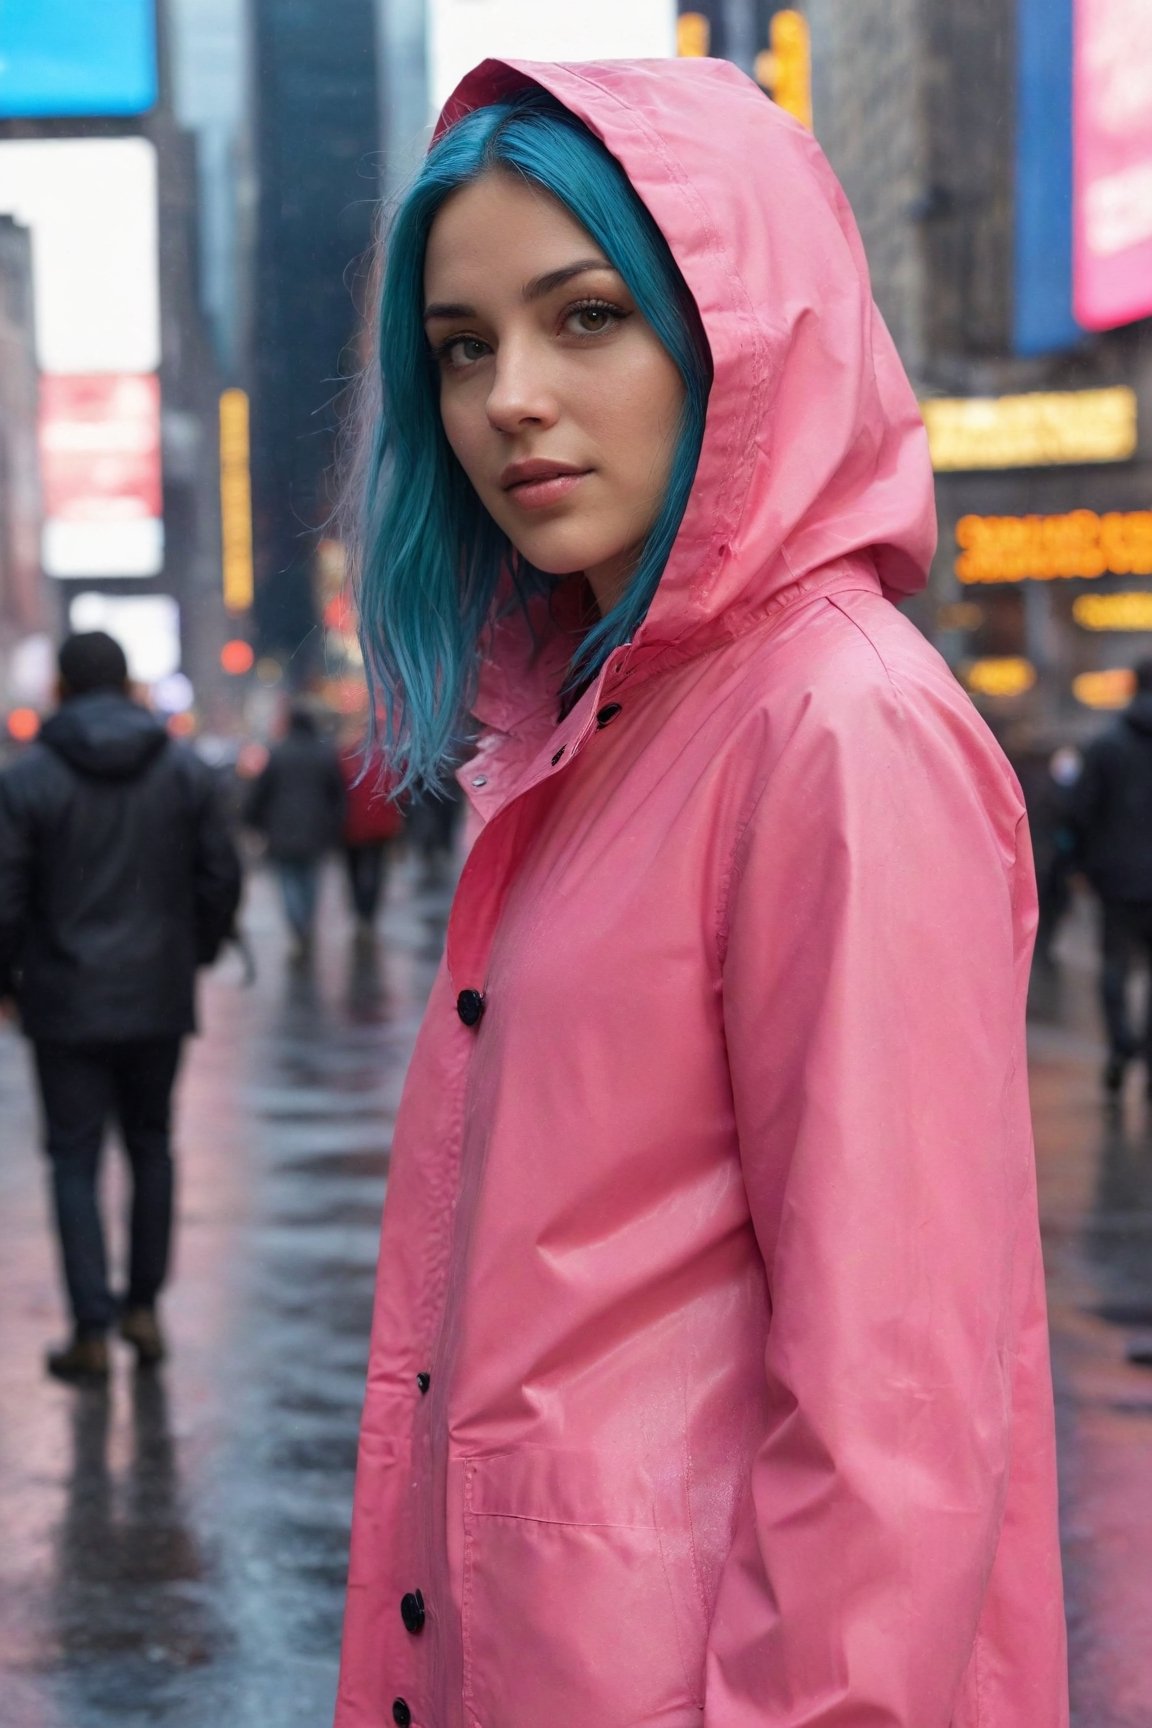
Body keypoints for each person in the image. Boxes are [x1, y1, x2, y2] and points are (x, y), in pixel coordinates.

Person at [335, 62, 1068, 1728]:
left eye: (583, 317)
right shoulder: (600, 729)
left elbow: (892, 1402)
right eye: (462, 345)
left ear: (742, 334)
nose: (510, 394)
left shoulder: (835, 726)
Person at [0, 632, 241, 1382]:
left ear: (62, 690)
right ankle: (143, 1308)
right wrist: (192, 955)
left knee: (73, 1159)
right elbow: (220, 878)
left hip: (62, 999)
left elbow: (5, 898)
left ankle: (91, 1331)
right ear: (133, 686)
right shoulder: (184, 770)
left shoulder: (27, 778)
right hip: (158, 996)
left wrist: (9, 983)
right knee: (150, 1143)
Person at [1069, 657, 1152, 1096]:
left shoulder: (1105, 746)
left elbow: (1080, 812)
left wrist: (1080, 864)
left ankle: (1121, 1044)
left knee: (1115, 967)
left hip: (1117, 879)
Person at [244, 703, 345, 960]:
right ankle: (306, 923)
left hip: (282, 829)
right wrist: (334, 824)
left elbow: (260, 792)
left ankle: (298, 927)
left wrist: (252, 821)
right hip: (315, 829)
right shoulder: (323, 754)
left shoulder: (277, 753)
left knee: (288, 880)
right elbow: (337, 794)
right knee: (310, 879)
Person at [338, 735, 404, 939]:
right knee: (375, 868)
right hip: (379, 826)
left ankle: (360, 909)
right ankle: (368, 911)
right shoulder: (385, 760)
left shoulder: (345, 759)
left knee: (354, 870)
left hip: (350, 827)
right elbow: (399, 793)